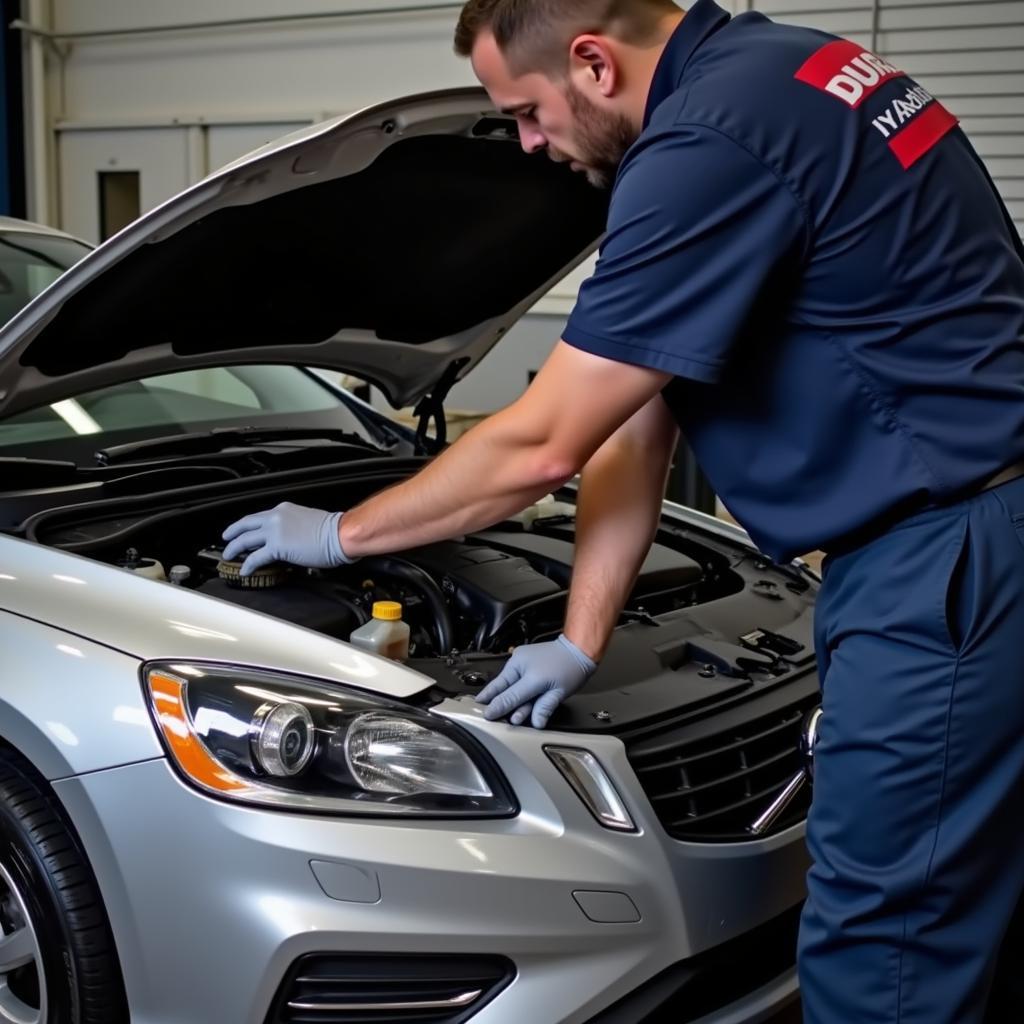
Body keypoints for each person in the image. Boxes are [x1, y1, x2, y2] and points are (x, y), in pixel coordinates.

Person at [221, 1, 1024, 1020]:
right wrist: (580, 636)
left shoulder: (705, 141)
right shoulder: (792, 69)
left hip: (943, 573)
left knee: (885, 955)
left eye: (523, 108)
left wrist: (340, 533)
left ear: (593, 64)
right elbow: (629, 419)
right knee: (975, 922)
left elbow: (540, 443)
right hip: (981, 537)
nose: (522, 141)